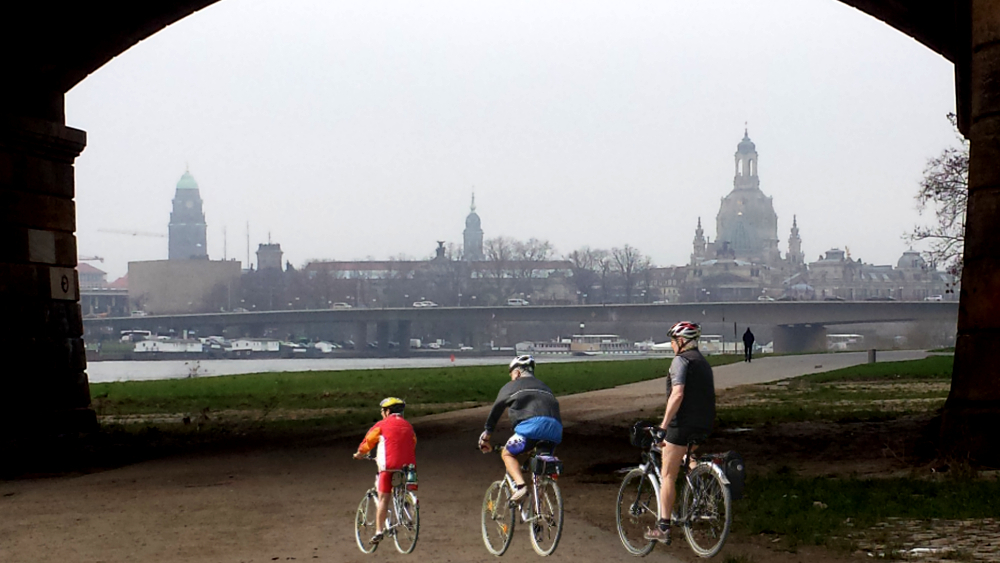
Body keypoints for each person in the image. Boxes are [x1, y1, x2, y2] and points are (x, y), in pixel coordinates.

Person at [645, 321, 716, 545]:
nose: (671, 345)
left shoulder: (680, 361)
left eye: (673, 341)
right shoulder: (704, 363)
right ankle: (703, 492)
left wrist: (664, 426)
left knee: (667, 475)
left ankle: (663, 527)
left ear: (681, 341)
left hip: (681, 425)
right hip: (704, 423)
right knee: (687, 456)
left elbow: (677, 394)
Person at [478, 355, 562, 502]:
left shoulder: (511, 386)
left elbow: (496, 410)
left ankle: (520, 486)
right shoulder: (544, 386)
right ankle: (538, 510)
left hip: (531, 427)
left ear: (516, 373)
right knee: (541, 466)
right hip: (555, 429)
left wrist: (487, 434)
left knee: (507, 454)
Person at [353, 397, 417, 545]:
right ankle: (409, 513)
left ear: (387, 411)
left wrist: (359, 454)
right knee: (404, 489)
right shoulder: (408, 426)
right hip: (408, 466)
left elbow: (367, 443)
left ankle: (379, 531)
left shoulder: (381, 425)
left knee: (383, 499)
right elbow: (413, 442)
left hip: (388, 466)